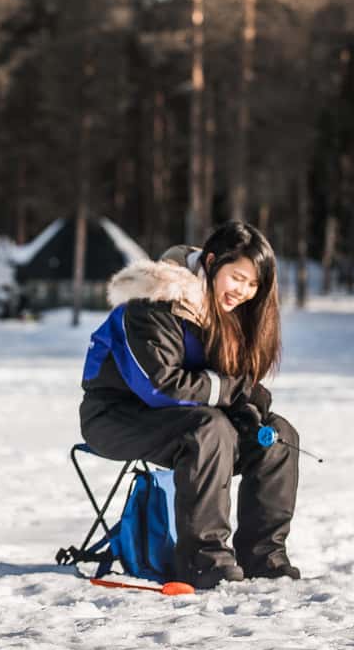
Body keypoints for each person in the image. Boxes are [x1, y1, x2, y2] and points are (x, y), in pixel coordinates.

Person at [79, 221, 300, 590]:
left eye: (252, 284)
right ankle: (203, 559)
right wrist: (231, 393)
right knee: (209, 429)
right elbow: (158, 386)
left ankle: (264, 558)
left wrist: (248, 406)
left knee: (276, 437)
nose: (243, 291)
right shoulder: (155, 300)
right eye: (237, 278)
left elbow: (229, 384)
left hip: (191, 419)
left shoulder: (226, 309)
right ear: (212, 262)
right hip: (115, 416)